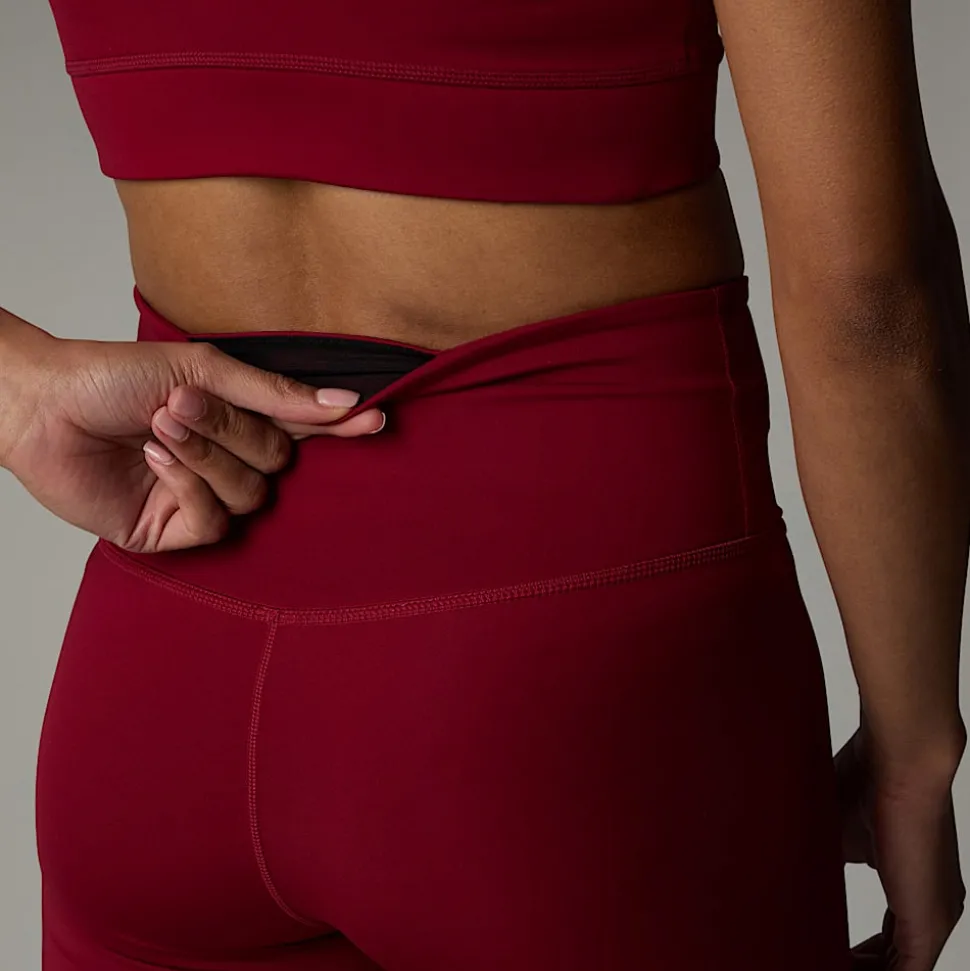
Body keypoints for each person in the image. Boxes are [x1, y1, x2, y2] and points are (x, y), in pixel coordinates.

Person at [1, 0, 966, 968]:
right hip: (585, 691)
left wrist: (20, 396)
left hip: (162, 694)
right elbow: (869, 306)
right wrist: (915, 763)